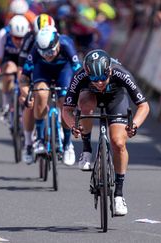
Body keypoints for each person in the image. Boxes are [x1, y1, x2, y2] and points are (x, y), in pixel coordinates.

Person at [62, 49, 150, 216]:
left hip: (115, 98)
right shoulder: (80, 75)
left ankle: (118, 194)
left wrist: (135, 124)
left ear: (110, 69)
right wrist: (73, 125)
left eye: (103, 77)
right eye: (94, 78)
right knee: (85, 106)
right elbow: (67, 109)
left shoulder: (121, 73)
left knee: (118, 142)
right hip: (90, 96)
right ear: (87, 73)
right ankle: (86, 150)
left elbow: (144, 106)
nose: (100, 82)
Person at [20, 26, 82, 166]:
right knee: (40, 94)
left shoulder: (66, 44)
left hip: (63, 71)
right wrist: (27, 95)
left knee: (66, 102)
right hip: (43, 71)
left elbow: (78, 72)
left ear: (57, 43)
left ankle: (67, 144)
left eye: (51, 51)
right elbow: (23, 78)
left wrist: (79, 94)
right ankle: (40, 140)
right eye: (44, 53)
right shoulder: (36, 48)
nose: (48, 56)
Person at [18, 13, 56, 164]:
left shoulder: (57, 38)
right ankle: (28, 143)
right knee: (30, 105)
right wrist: (24, 90)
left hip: (55, 71)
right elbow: (22, 67)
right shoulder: (29, 40)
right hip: (35, 71)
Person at [0, 15, 30, 124]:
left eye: (22, 38)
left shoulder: (31, 36)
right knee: (8, 70)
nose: (19, 41)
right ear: (10, 34)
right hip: (10, 59)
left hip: (25, 60)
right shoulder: (3, 34)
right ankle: (6, 105)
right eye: (16, 38)